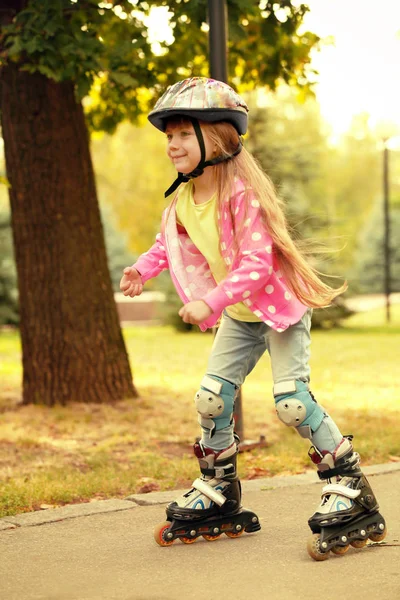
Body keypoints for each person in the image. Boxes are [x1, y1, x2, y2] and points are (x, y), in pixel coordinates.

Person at [120, 77, 386, 557]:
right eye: (169, 136)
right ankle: (219, 488)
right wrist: (141, 268)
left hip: (278, 311)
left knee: (292, 403)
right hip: (240, 316)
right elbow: (168, 246)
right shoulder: (183, 198)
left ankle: (350, 487)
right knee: (210, 400)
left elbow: (258, 264)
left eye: (182, 134)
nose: (172, 144)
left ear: (216, 138)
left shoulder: (242, 194)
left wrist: (211, 302)